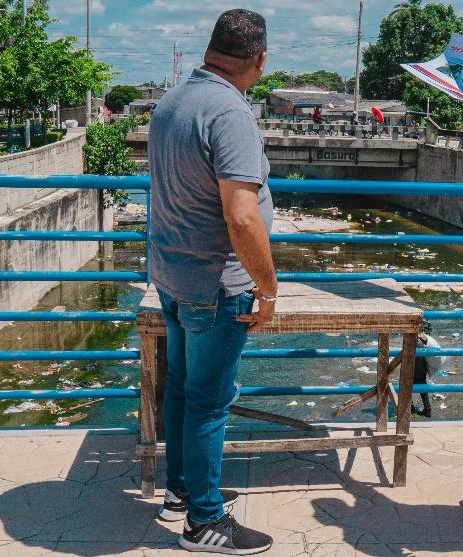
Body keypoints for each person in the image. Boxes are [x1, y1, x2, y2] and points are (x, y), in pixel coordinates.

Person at [147, 9, 275, 555]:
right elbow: (242, 217)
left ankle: (180, 490)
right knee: (208, 403)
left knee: (181, 390)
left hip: (173, 277)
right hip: (216, 286)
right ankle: (204, 521)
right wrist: (267, 288)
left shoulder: (174, 101)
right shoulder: (229, 112)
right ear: (260, 60)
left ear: (210, 50)